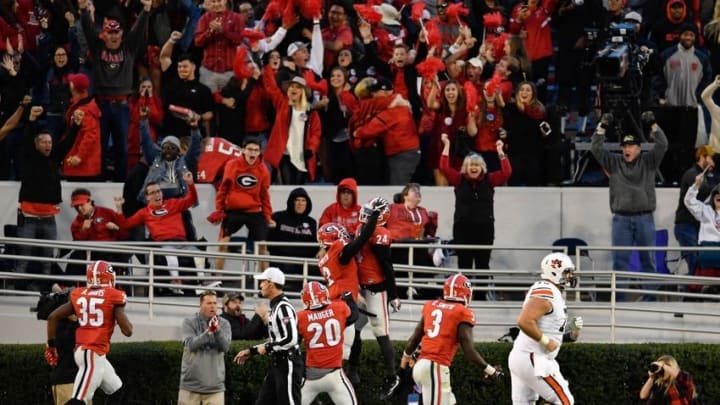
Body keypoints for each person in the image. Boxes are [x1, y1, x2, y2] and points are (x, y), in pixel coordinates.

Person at [590, 112, 668, 301]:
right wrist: (602, 126)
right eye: (625, 146)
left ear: (639, 149)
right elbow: (595, 148)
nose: (627, 149)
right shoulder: (614, 162)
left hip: (644, 217)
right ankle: (621, 302)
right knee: (620, 262)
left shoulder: (648, 162)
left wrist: (653, 125)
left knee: (648, 261)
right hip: (621, 219)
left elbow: (663, 145)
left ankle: (651, 301)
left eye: (631, 146)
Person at [399, 274, 504, 405]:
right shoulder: (462, 312)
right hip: (435, 368)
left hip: (421, 366)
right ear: (465, 294)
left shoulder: (431, 305)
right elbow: (469, 351)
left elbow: (415, 338)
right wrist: (491, 370)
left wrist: (404, 359)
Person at [45, 260, 133, 405]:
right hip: (92, 354)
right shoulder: (113, 296)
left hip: (88, 352)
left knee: (117, 390)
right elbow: (128, 331)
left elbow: (52, 317)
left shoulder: (79, 294)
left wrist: (51, 345)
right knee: (78, 401)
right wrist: (119, 313)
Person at [439, 133, 511, 300]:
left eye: (477, 165)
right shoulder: (458, 179)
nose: (474, 168)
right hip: (463, 229)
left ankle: (480, 296)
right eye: (471, 164)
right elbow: (444, 167)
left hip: (484, 228)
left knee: (482, 265)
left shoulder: (490, 179)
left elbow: (507, 172)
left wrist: (500, 151)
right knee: (464, 265)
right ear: (466, 166)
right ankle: (465, 295)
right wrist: (447, 144)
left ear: (482, 167)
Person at [15, 105, 78, 291]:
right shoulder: (28, 156)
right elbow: (26, 138)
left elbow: (67, 144)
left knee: (48, 259)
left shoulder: (54, 157)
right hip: (28, 218)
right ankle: (17, 290)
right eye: (44, 142)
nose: (48, 145)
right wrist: (32, 120)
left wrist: (76, 125)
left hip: (49, 218)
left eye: (50, 142)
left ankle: (46, 290)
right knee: (24, 257)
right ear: (36, 144)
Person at [508, 253, 583, 405]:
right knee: (565, 401)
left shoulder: (552, 292)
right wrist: (546, 341)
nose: (570, 276)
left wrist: (571, 331)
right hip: (533, 357)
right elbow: (525, 321)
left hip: (526, 356)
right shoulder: (546, 290)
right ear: (555, 271)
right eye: (567, 272)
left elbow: (551, 330)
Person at [349, 197, 402, 399]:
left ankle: (392, 376)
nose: (365, 214)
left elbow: (387, 265)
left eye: (370, 212)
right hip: (361, 288)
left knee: (380, 332)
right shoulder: (363, 228)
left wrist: (394, 295)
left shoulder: (380, 234)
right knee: (354, 329)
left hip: (376, 290)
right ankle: (352, 369)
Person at [116, 172, 202, 294]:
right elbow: (125, 225)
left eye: (159, 191)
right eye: (153, 192)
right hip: (164, 244)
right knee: (170, 254)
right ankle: (176, 282)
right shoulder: (144, 212)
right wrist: (119, 208)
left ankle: (203, 281)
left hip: (182, 242)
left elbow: (192, 199)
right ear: (147, 197)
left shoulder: (173, 203)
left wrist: (190, 183)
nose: (157, 194)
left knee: (200, 255)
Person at [233, 267, 302, 405]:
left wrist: (268, 347)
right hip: (278, 362)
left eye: (263, 282)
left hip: (287, 362)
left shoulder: (283, 307)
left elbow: (291, 338)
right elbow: (276, 340)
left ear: (271, 284)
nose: (260, 285)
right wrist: (251, 351)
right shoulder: (277, 306)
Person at [209, 137, 274, 270]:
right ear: (243, 150)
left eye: (256, 150)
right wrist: (219, 211)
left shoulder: (263, 170)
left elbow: (265, 196)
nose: (253, 153)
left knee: (263, 247)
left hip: (255, 211)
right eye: (250, 149)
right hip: (234, 211)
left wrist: (267, 216)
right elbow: (223, 189)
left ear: (259, 152)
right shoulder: (232, 165)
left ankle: (267, 282)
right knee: (223, 244)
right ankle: (216, 279)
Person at [297, 282, 359, 405]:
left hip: (310, 377)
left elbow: (294, 342)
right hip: (334, 376)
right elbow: (354, 317)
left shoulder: (300, 317)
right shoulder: (338, 308)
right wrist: (350, 299)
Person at [178, 290, 232, 405]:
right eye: (209, 303)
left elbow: (226, 347)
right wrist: (208, 332)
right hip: (190, 387)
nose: (212, 306)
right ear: (201, 304)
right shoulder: (189, 322)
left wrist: (217, 331)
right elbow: (190, 345)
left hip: (215, 388)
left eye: (214, 303)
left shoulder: (224, 324)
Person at [674, 145, 716, 279]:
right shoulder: (693, 174)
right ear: (702, 157)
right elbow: (706, 191)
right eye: (710, 158)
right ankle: (692, 294)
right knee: (695, 260)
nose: (712, 162)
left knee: (698, 261)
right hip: (686, 225)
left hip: (693, 226)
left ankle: (693, 294)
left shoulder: (702, 175)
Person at [267, 187, 318, 291]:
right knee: (286, 266)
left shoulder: (311, 222)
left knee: (317, 269)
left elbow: (314, 246)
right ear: (291, 202)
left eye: (303, 200)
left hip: (303, 262)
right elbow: (269, 241)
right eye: (297, 200)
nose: (300, 203)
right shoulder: (278, 217)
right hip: (281, 259)